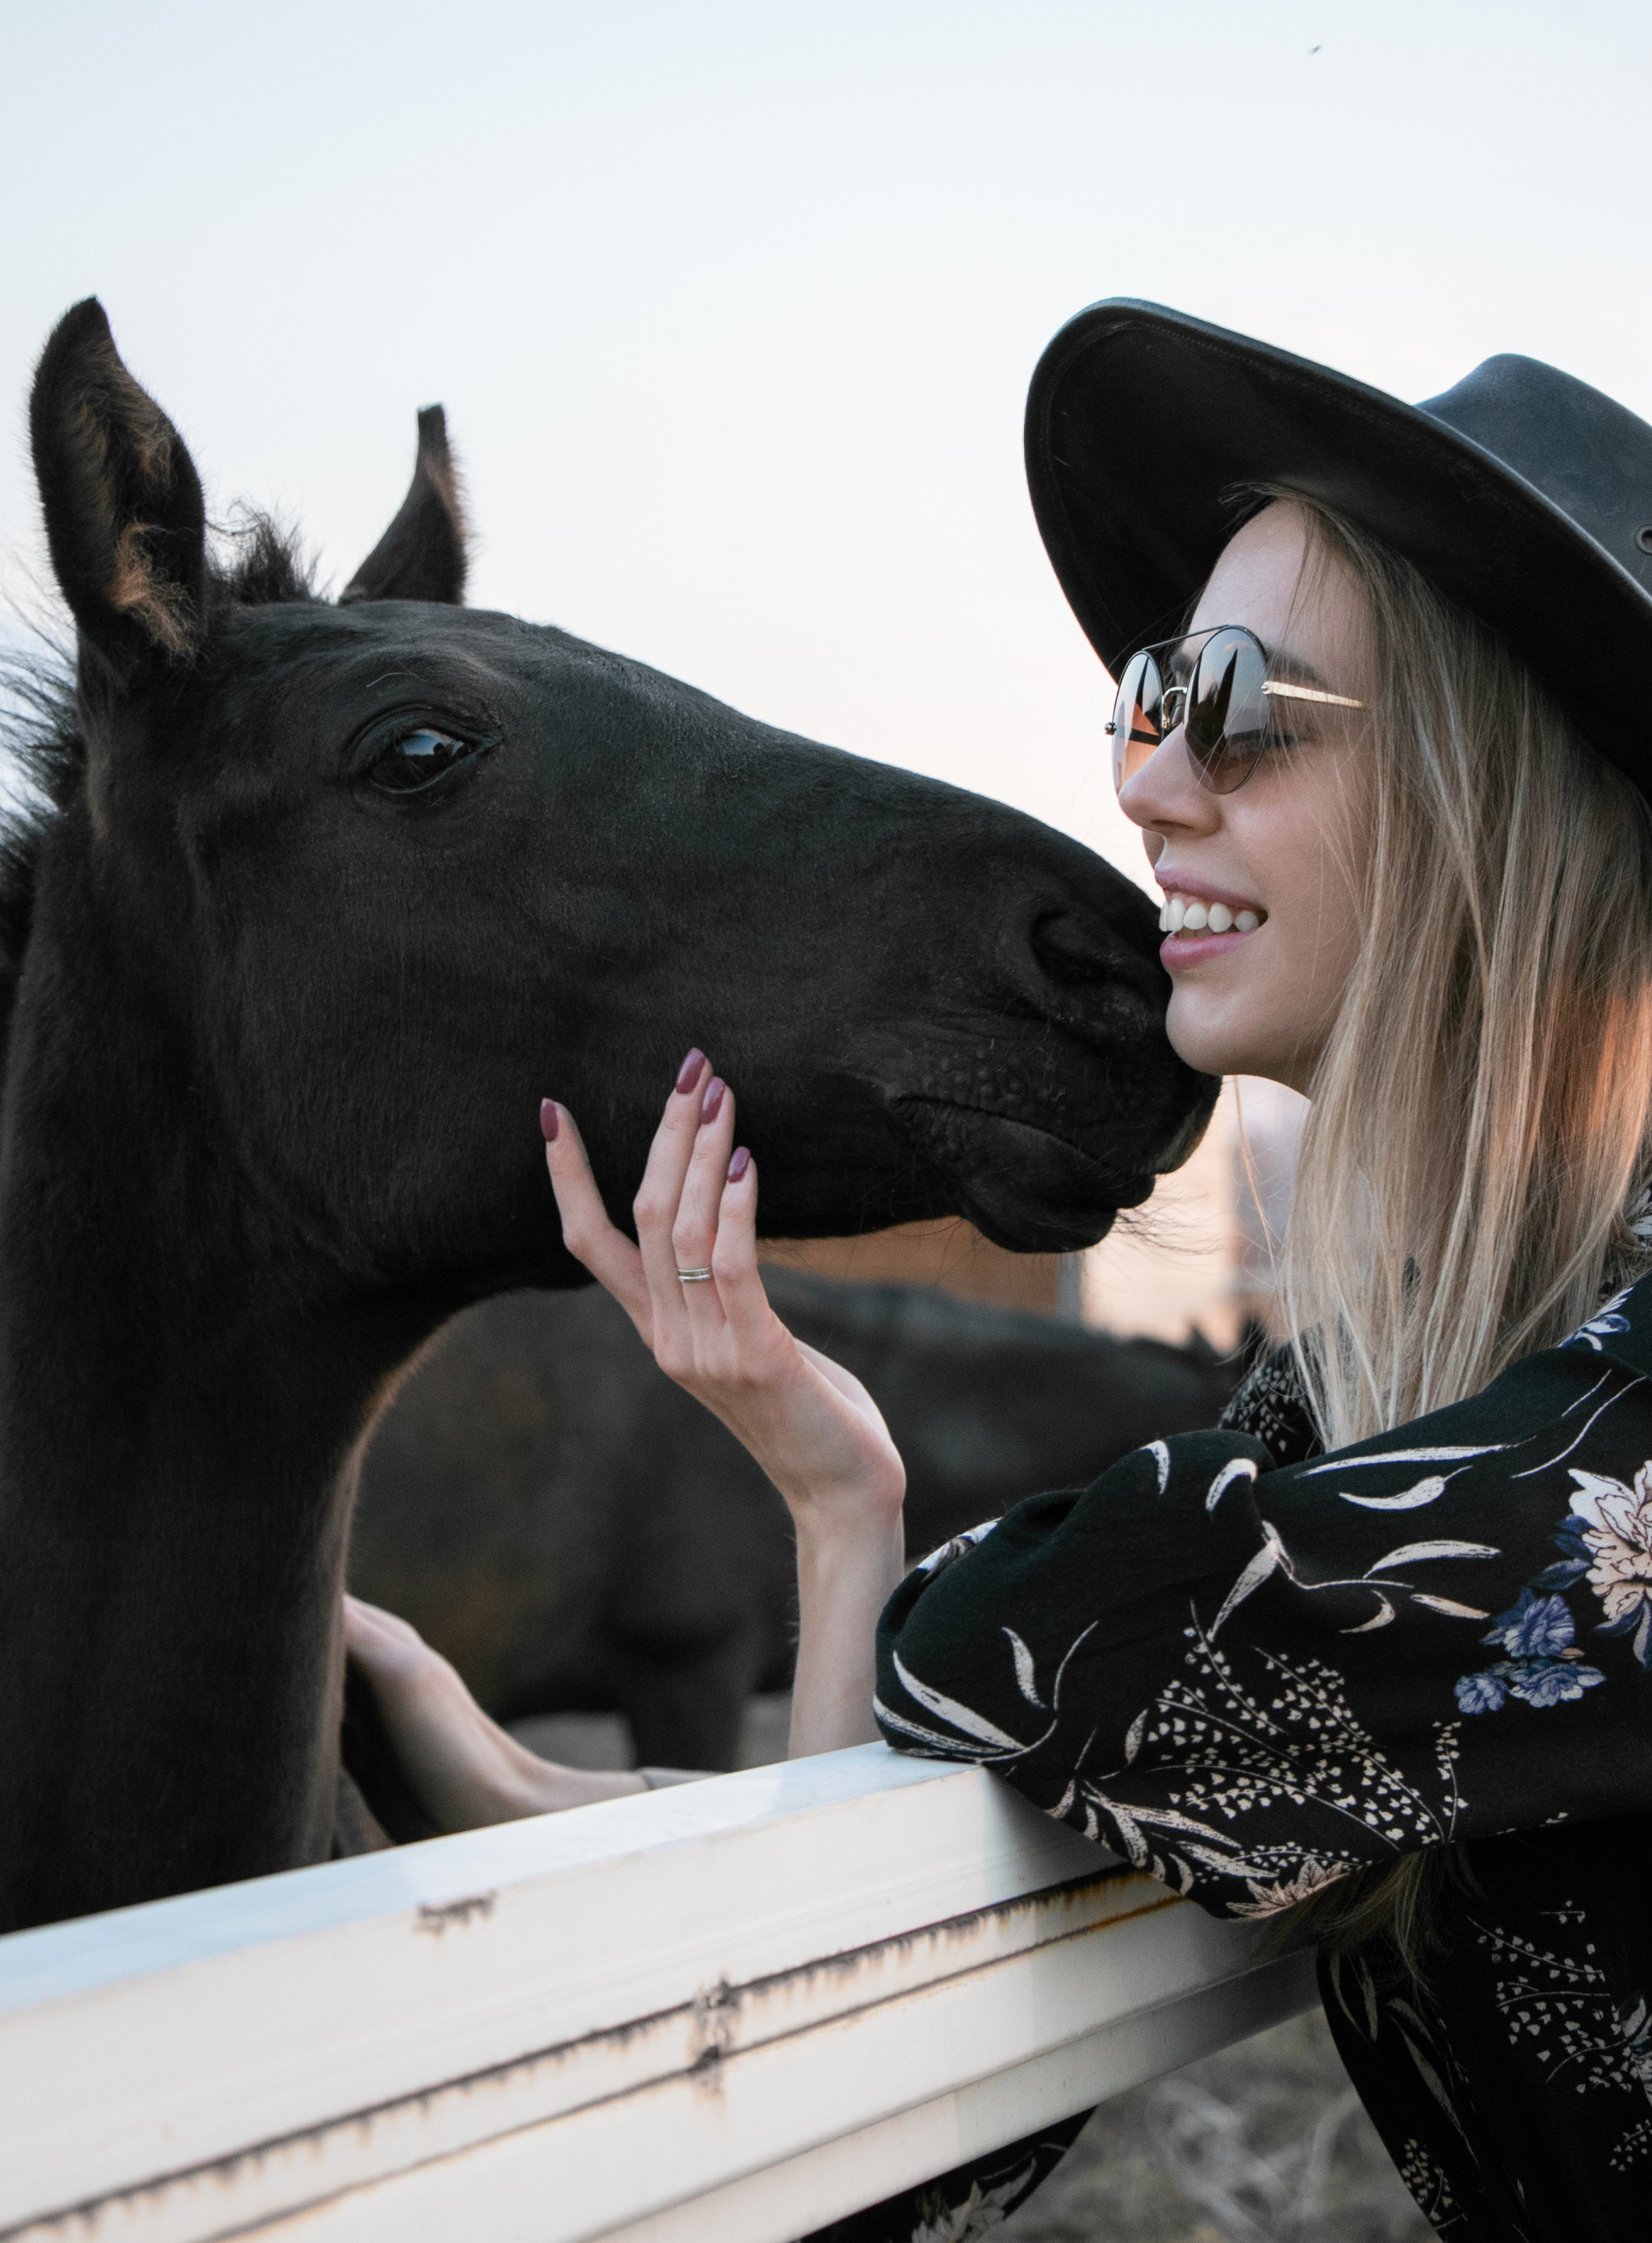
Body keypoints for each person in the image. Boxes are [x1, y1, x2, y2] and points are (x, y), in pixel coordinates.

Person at [349, 301, 1652, 2239]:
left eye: (1236, 706)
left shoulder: (1573, 1465)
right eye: (1147, 694)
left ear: (1499, 786)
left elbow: (1067, 1639)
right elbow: (906, 2120)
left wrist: (869, 1601)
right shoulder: (1386, 1406)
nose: (1143, 786)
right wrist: (833, 1496)